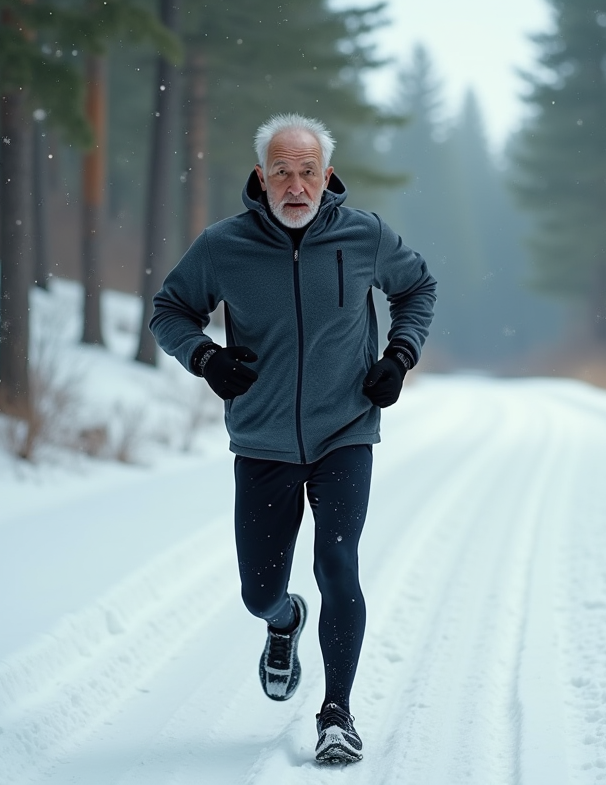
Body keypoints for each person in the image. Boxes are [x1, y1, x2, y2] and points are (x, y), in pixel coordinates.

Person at [149, 113, 437, 764]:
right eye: (282, 170)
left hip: (346, 432)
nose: (296, 183)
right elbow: (169, 310)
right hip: (263, 440)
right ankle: (284, 622)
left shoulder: (364, 236)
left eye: (308, 170)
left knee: (338, 565)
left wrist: (398, 355)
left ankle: (337, 713)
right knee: (259, 591)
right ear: (261, 177)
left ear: (327, 176)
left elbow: (417, 287)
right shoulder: (224, 247)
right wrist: (206, 358)